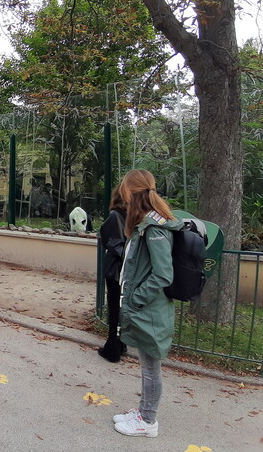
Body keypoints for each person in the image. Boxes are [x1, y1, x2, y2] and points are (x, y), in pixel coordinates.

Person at [112, 169, 181, 438]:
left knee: (151, 368)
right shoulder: (148, 223)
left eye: (124, 191)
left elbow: (163, 274)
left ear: (131, 192)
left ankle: (148, 420)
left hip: (150, 309)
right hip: (148, 308)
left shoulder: (154, 228)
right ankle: (143, 411)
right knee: (147, 365)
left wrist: (136, 299)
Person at [97, 186, 128, 362]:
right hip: (128, 267)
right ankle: (120, 343)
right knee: (122, 306)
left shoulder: (115, 216)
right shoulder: (133, 215)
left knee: (114, 306)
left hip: (116, 267)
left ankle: (112, 347)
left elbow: (109, 239)